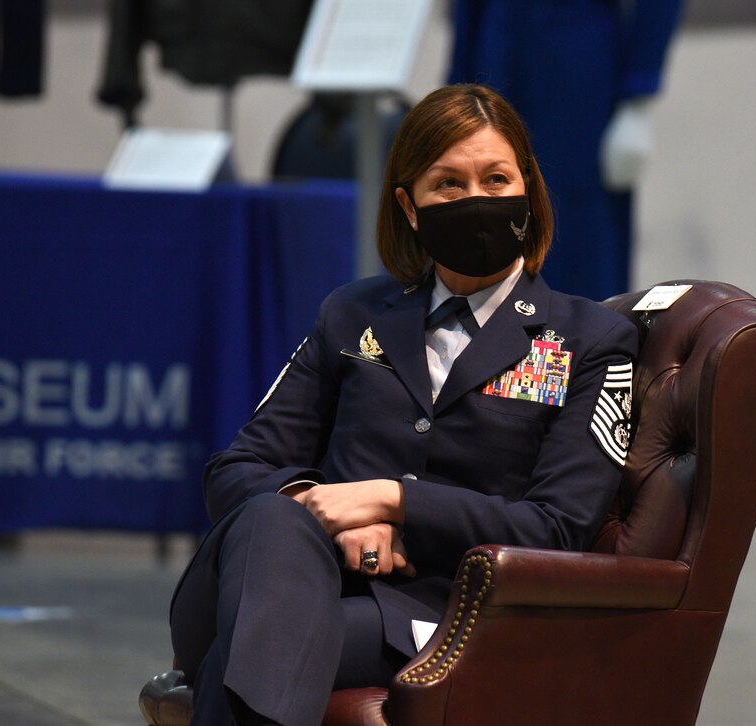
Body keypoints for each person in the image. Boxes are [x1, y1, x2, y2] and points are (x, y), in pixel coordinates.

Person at [169, 84, 639, 725]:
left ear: (528, 195)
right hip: (294, 579)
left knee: (242, 652)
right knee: (273, 521)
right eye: (447, 184)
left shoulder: (589, 342)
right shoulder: (351, 313)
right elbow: (238, 468)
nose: (475, 200)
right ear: (409, 207)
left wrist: (392, 499)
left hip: (441, 615)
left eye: (497, 178)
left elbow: (557, 528)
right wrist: (329, 515)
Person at [448, 0, 687, 302]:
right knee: (488, 219)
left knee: (576, 229)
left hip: (579, 65)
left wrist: (638, 97)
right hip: (494, 55)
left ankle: (586, 346)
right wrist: (456, 93)